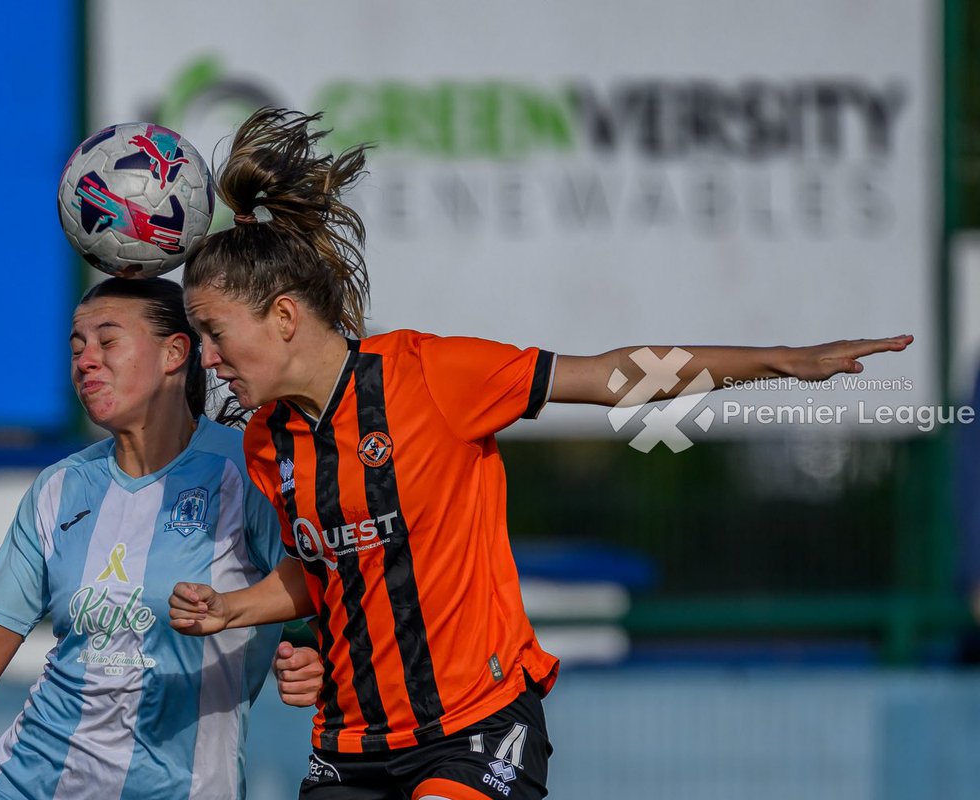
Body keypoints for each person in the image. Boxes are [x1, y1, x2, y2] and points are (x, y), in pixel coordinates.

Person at [166, 107, 914, 800]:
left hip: (476, 726)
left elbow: (612, 378)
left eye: (214, 331)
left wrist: (778, 360)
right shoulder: (269, 442)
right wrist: (236, 608)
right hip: (351, 745)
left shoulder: (430, 375)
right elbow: (327, 566)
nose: (207, 356)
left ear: (286, 317)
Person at [0, 277, 322, 800]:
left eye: (107, 341)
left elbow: (317, 581)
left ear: (175, 353)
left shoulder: (244, 469)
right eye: (76, 348)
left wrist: (311, 652)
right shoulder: (57, 488)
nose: (85, 361)